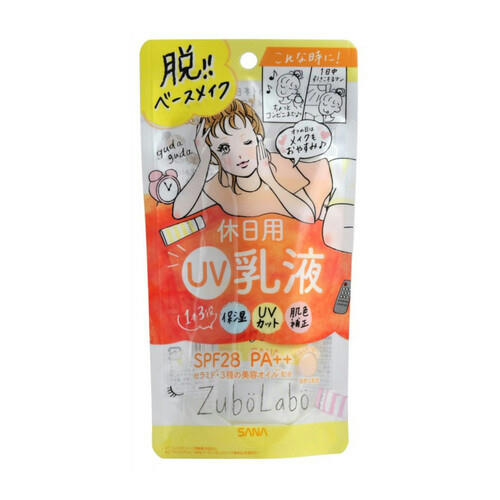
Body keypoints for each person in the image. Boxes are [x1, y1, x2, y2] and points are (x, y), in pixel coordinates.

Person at [173, 99, 332, 224]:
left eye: (247, 142)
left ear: (258, 138)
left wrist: (269, 179)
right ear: (214, 156)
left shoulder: (280, 166)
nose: (239, 155)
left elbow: (308, 216)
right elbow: (179, 212)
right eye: (224, 148)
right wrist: (203, 162)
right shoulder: (222, 183)